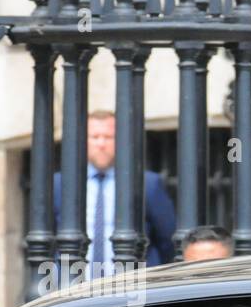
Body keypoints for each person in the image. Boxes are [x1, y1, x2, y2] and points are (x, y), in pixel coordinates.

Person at [53, 111, 177, 280]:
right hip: (74, 289)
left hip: (133, 288)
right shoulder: (61, 184)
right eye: (95, 137)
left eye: (109, 137)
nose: (101, 144)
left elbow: (167, 241)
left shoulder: (146, 183)